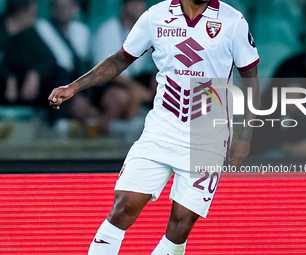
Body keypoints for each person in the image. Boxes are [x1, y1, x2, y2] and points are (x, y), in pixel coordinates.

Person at [49, 0, 260, 254]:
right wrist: (74, 87)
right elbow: (119, 60)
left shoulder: (233, 21)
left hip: (209, 138)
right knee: (123, 206)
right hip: (161, 130)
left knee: (182, 222)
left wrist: (245, 136)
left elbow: (251, 80)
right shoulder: (156, 16)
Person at [92, 0, 155, 78]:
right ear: (124, 6)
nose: (139, 6)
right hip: (113, 82)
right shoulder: (107, 30)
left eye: (141, 2)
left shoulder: (146, 31)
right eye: (135, 2)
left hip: (139, 79)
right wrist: (137, 88)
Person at [36, 0, 91, 80]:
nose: (62, 10)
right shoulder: (42, 27)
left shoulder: (82, 30)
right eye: (58, 6)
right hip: (53, 78)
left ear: (75, 8)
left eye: (66, 7)